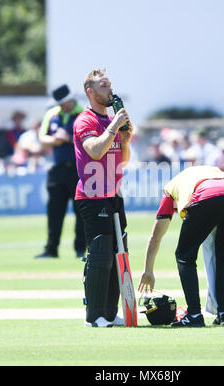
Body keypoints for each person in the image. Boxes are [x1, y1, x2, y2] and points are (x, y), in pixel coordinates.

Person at [138, 165, 224, 327]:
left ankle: (194, 314)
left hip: (206, 197)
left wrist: (148, 270)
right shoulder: (214, 172)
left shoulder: (171, 188)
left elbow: (156, 236)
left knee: (184, 256)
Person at [73, 69, 134, 327]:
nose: (110, 89)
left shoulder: (112, 121)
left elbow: (124, 159)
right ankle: (94, 316)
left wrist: (126, 139)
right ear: (91, 91)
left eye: (110, 85)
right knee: (100, 254)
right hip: (92, 195)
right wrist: (114, 126)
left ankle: (109, 313)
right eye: (104, 85)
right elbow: (95, 152)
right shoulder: (84, 120)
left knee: (118, 252)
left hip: (114, 194)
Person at [35, 84, 86, 259]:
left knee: (81, 212)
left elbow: (89, 139)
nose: (63, 105)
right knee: (54, 211)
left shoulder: (83, 113)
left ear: (71, 98)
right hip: (57, 169)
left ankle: (80, 249)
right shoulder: (52, 114)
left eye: (65, 101)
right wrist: (54, 140)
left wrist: (69, 139)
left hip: (79, 170)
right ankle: (51, 249)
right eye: (60, 102)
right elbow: (42, 137)